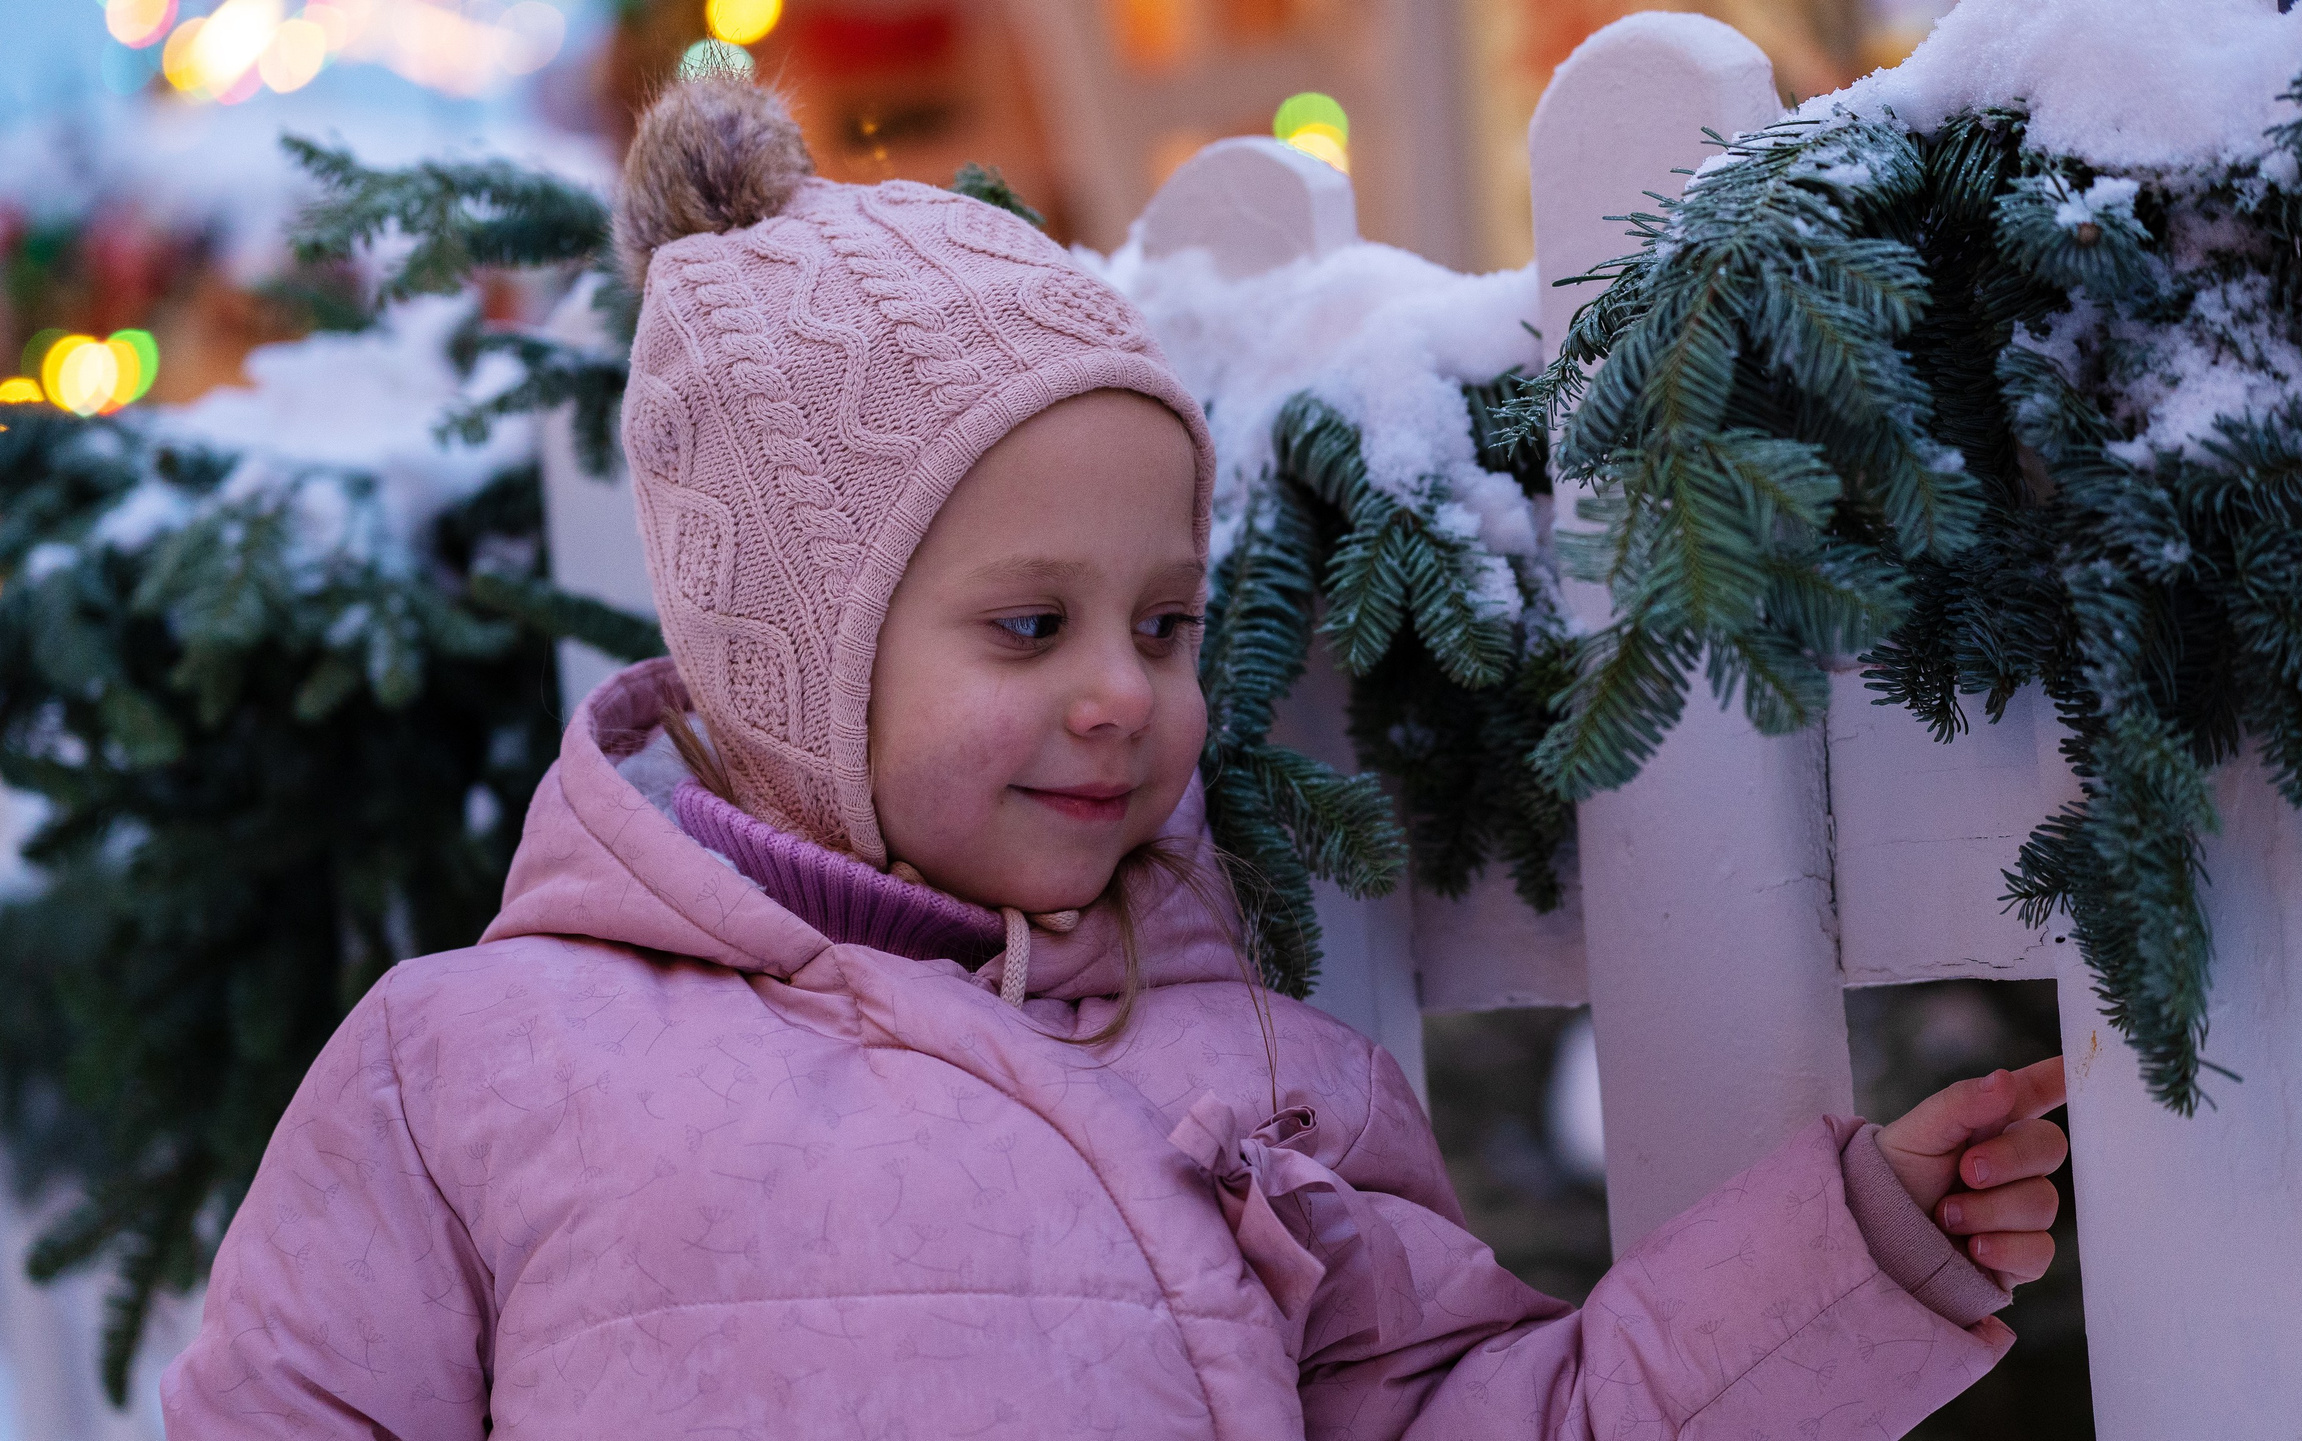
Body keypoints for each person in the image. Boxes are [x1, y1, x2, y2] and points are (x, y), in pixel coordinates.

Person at [160, 77, 2068, 1440]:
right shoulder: (470, 1064)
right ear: (789, 658)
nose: (1120, 696)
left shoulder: (1243, 1076)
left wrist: (1850, 1257)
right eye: (1027, 623)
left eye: (1164, 626)